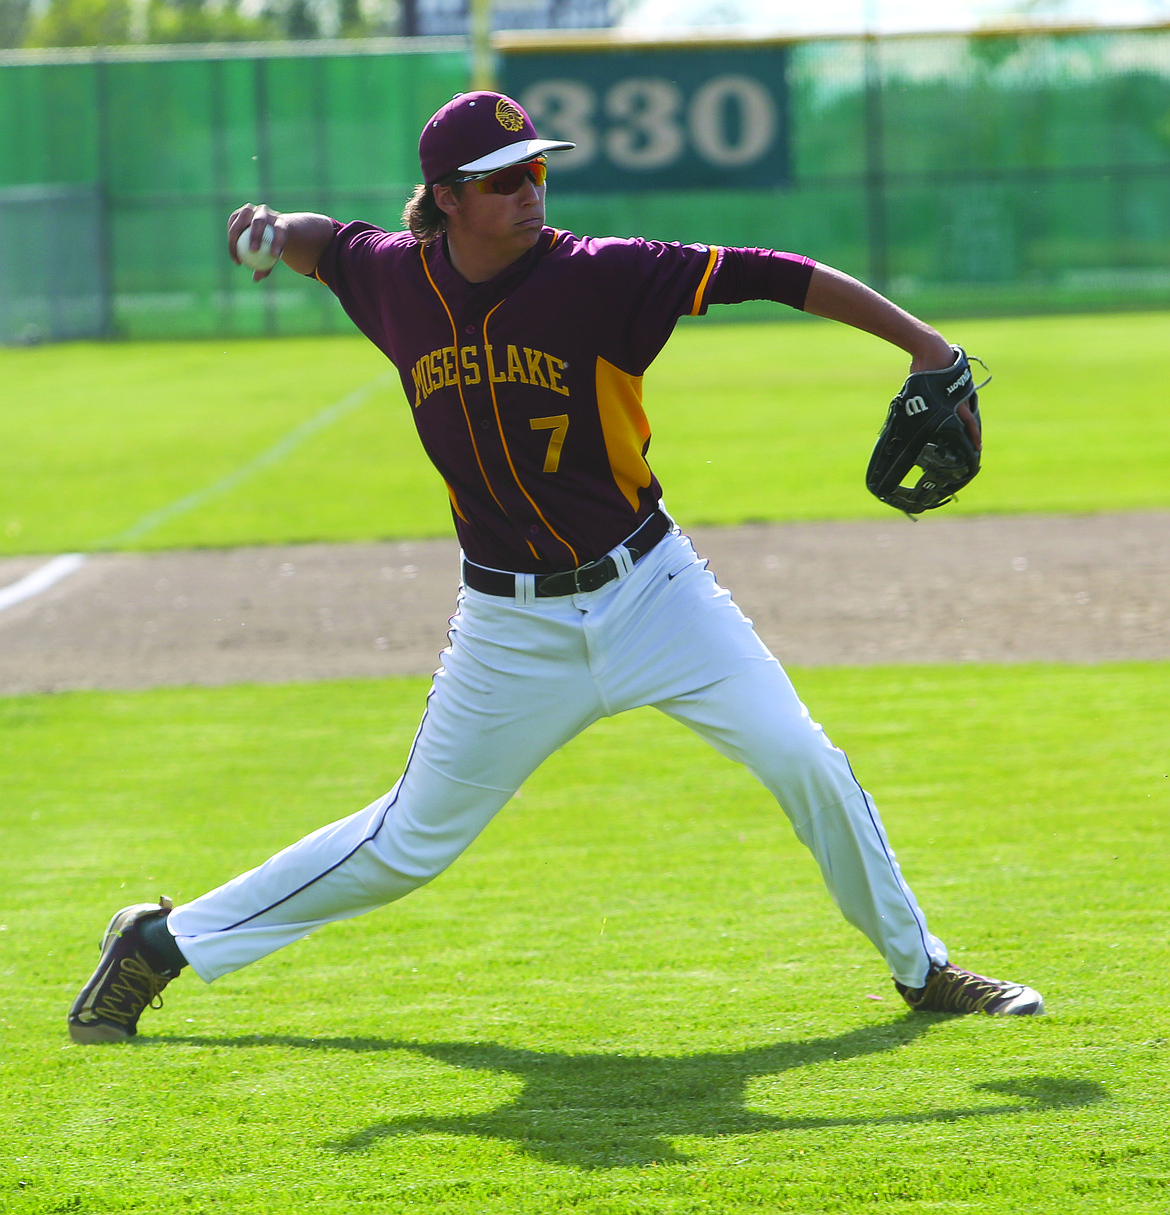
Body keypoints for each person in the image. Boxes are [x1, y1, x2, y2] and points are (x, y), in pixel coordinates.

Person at [68, 90, 1043, 1044]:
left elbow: (770, 271)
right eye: (503, 180)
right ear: (446, 199)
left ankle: (922, 970)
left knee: (802, 759)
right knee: (408, 845)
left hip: (654, 591)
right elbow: (330, 244)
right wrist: (274, 229)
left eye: (537, 168)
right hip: (509, 630)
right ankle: (159, 943)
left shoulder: (602, 275)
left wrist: (923, 346)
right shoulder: (398, 279)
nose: (531, 190)